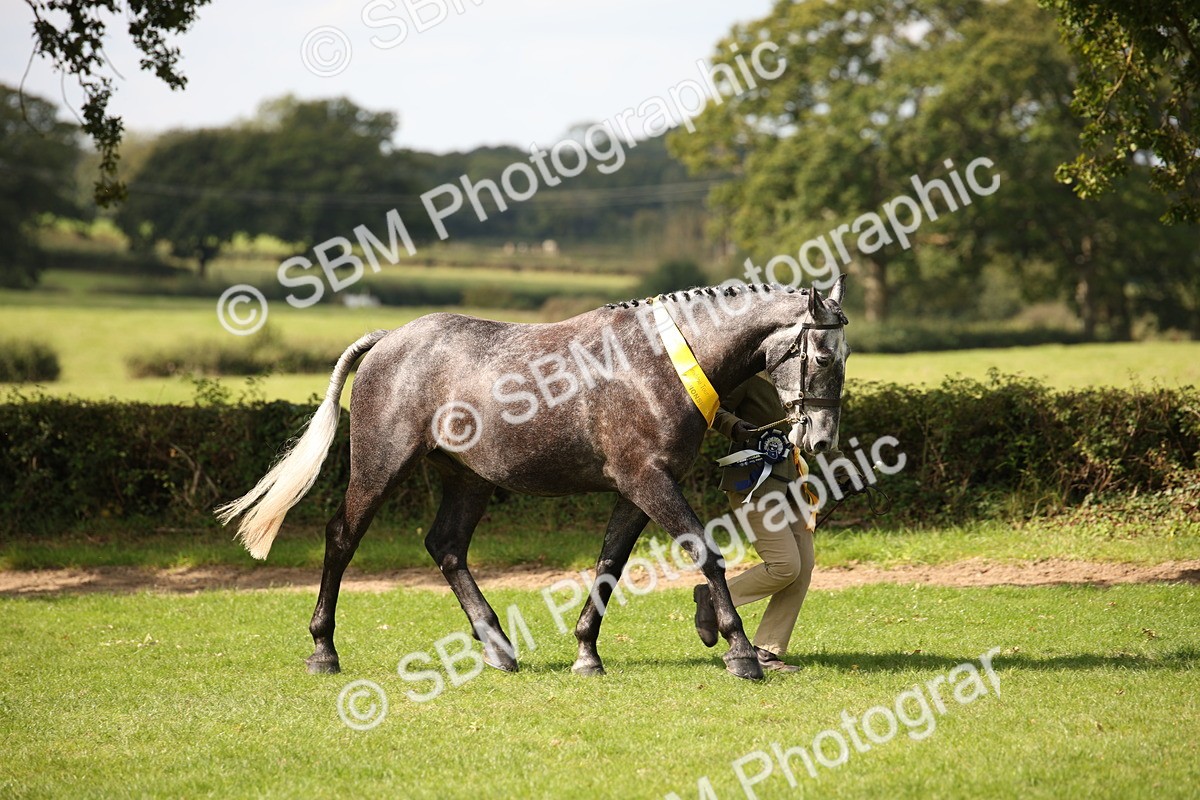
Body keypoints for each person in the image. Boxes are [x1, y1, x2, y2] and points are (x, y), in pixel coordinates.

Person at [693, 370, 829, 673]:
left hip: (793, 482)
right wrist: (734, 426)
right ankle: (714, 598)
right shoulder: (746, 377)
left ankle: (767, 650)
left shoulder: (795, 378)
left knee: (802, 567)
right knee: (784, 566)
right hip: (753, 485)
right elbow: (712, 409)